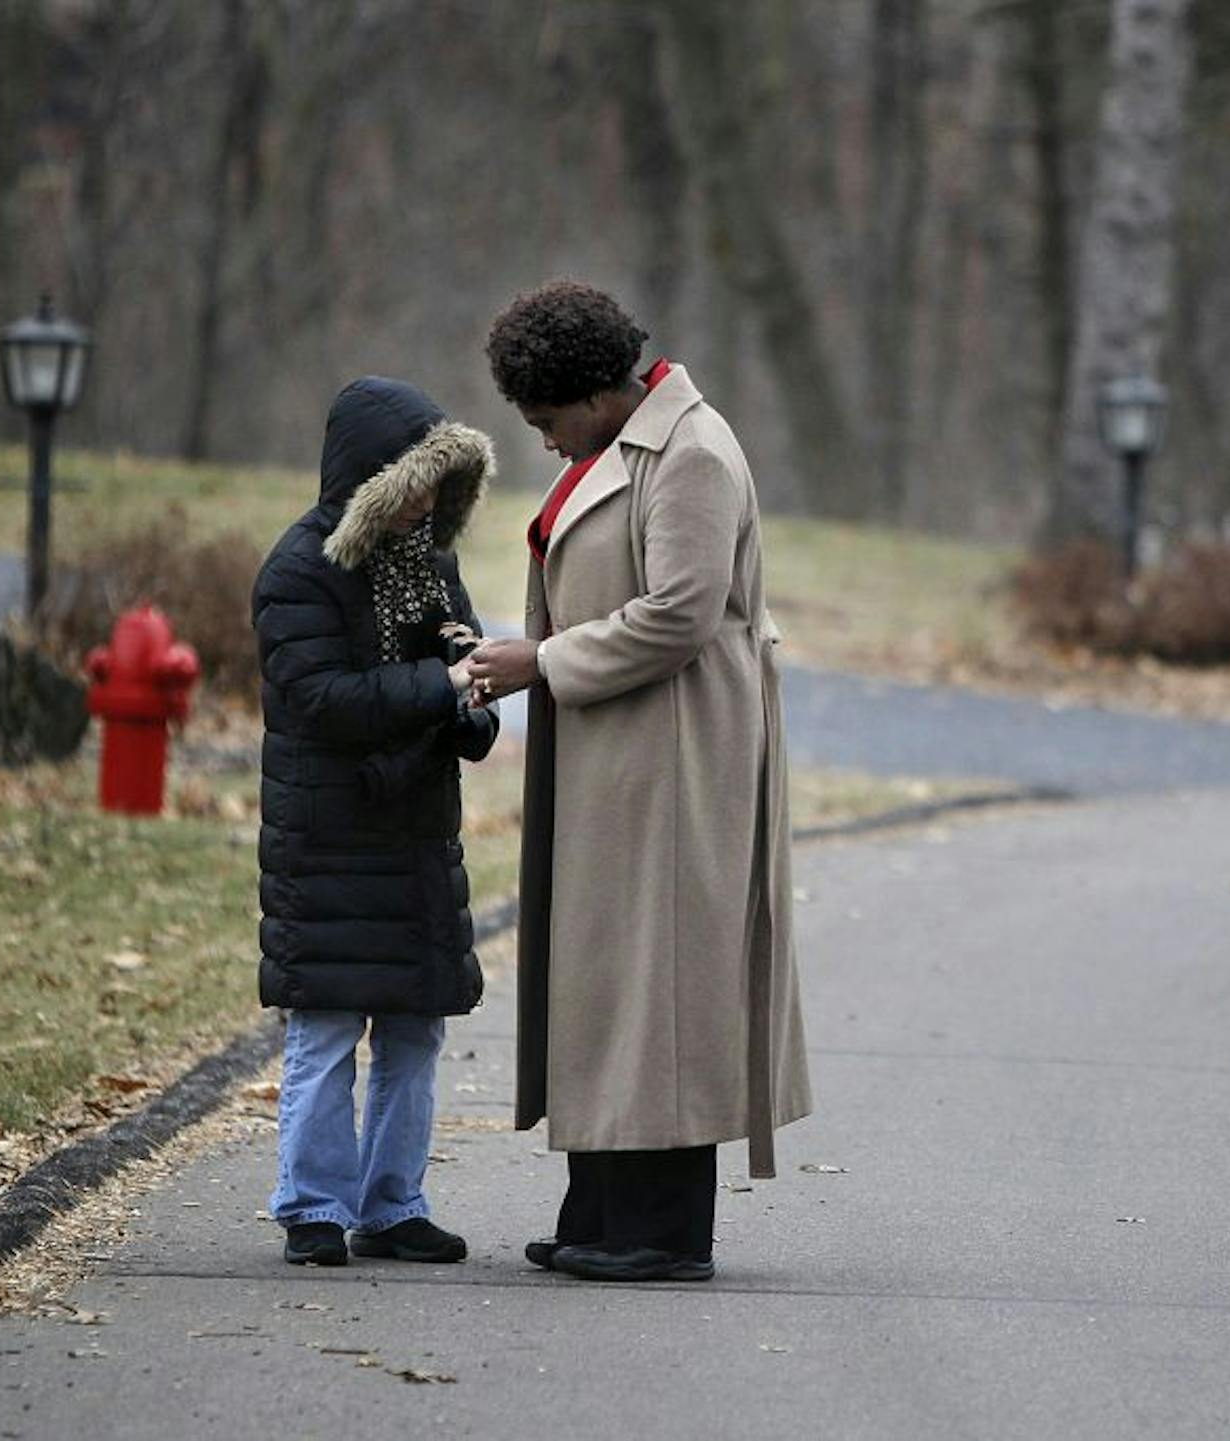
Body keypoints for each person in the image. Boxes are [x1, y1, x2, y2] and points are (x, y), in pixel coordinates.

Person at [467, 280, 811, 1284]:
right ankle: (602, 1210)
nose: (544, 440)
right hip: (620, 745)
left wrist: (543, 659)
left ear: (595, 393)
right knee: (608, 973)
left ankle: (660, 1232)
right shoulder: (625, 447)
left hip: (677, 752)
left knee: (662, 981)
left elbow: (682, 613)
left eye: (548, 420)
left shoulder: (692, 453)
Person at [251, 375, 499, 1267]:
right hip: (329, 837)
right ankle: (311, 1201)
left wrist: (472, 707)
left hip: (417, 835)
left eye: (441, 483)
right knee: (326, 1024)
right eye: (415, 481)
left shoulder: (432, 565)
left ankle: (392, 1203)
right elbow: (318, 699)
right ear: (370, 479)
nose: (429, 500)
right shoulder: (298, 569)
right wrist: (442, 689)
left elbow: (466, 677)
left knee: (414, 1025)